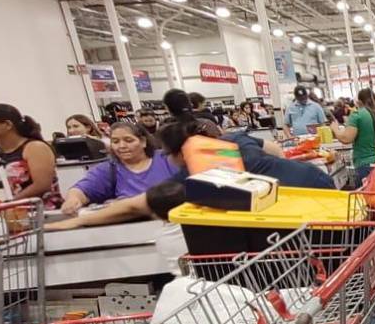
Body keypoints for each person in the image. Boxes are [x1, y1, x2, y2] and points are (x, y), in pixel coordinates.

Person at [46, 90, 330, 231]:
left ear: (178, 152)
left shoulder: (200, 168)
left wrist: (77, 222)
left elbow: (137, 205)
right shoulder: (230, 141)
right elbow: (277, 151)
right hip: (318, 189)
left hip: (303, 213)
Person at [60, 122, 178, 216]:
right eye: (115, 142)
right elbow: (82, 189)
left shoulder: (167, 159)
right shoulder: (109, 169)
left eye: (128, 140)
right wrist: (73, 199)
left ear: (143, 142)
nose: (122, 146)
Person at [0, 104, 63, 209]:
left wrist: (8, 203)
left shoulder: (35, 147)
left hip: (42, 212)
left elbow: (42, 185)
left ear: (7, 124)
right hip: (11, 213)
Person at [337, 88, 375, 186]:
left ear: (359, 102)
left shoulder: (357, 115)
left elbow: (346, 138)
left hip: (364, 168)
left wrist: (335, 129)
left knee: (364, 199)